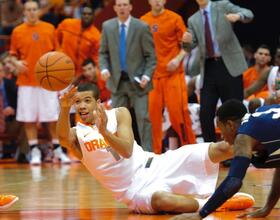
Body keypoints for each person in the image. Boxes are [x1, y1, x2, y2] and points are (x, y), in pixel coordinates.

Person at [57, 83, 254, 214]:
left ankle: (264, 145)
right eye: (77, 102)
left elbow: (127, 150)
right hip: (134, 191)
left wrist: (105, 133)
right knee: (162, 201)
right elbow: (63, 138)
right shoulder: (77, 135)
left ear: (98, 102)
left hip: (156, 163)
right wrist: (64, 108)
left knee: (218, 149)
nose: (81, 106)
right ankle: (217, 203)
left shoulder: (119, 113)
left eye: (86, 100)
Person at [171, 99, 280, 219]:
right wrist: (267, 208)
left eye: (221, 129)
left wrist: (200, 214)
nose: (222, 136)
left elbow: (233, 183)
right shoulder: (261, 117)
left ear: (230, 125)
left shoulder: (244, 137)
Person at [182, 0, 254, 142]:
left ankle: (241, 146)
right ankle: (210, 150)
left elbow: (249, 14)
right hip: (208, 67)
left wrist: (238, 16)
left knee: (235, 110)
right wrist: (186, 41)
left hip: (228, 65)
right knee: (205, 112)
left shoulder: (222, 5)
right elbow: (189, 47)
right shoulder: (193, 19)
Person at [9, 0, 70, 165]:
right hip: (26, 82)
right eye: (28, 10)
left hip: (47, 81)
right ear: (24, 12)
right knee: (29, 119)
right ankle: (34, 151)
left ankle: (57, 150)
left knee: (51, 118)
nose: (31, 12)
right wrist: (16, 63)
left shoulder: (49, 29)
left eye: (34, 9)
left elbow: (57, 53)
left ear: (39, 11)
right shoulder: (17, 31)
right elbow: (12, 55)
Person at [99, 0, 156, 152]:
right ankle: (120, 154)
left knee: (143, 118)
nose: (122, 7)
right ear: (114, 8)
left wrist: (147, 75)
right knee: (115, 120)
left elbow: (151, 56)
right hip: (117, 82)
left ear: (130, 7)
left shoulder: (142, 26)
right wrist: (104, 68)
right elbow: (103, 53)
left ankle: (148, 154)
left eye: (125, 4)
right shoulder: (107, 26)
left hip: (138, 82)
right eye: (119, 5)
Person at [140, 0, 196, 154]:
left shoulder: (175, 19)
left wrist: (177, 59)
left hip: (173, 75)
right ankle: (153, 155)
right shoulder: (143, 21)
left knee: (179, 115)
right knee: (152, 118)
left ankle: (190, 150)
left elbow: (187, 45)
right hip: (153, 77)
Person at [56, 3, 101, 75]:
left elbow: (95, 60)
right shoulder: (67, 24)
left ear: (93, 16)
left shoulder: (96, 36)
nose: (86, 16)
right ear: (81, 14)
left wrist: (83, 75)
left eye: (89, 14)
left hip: (81, 76)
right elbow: (55, 38)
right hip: (61, 69)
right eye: (84, 14)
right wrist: (58, 52)